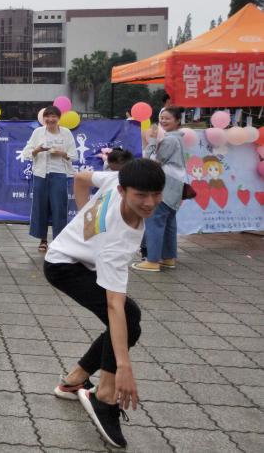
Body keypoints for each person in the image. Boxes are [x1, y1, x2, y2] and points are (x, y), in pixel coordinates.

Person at [45, 158, 165, 449]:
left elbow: (81, 178)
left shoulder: (114, 179)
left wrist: (83, 217)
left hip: (76, 257)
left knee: (129, 318)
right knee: (127, 317)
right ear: (123, 191)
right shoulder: (118, 240)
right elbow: (114, 306)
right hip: (63, 266)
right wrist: (122, 367)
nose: (150, 203)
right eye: (141, 195)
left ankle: (74, 381)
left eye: (156, 194)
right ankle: (105, 396)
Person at [133, 106, 185, 272]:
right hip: (174, 187)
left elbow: (152, 162)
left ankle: (153, 260)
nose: (163, 121)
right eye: (162, 118)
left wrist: (152, 141)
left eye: (167, 118)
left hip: (164, 187)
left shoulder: (169, 140)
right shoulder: (178, 138)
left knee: (154, 222)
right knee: (169, 224)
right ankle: (168, 258)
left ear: (177, 121)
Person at [22, 105, 77, 252]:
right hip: (40, 174)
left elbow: (74, 155)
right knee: (40, 207)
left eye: (54, 116)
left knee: (59, 207)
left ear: (59, 118)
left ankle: (59, 241)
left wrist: (61, 153)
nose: (50, 119)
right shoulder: (38, 132)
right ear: (43, 118)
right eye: (47, 116)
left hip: (59, 174)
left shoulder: (66, 133)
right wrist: (37, 150)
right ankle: (43, 240)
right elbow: (26, 153)